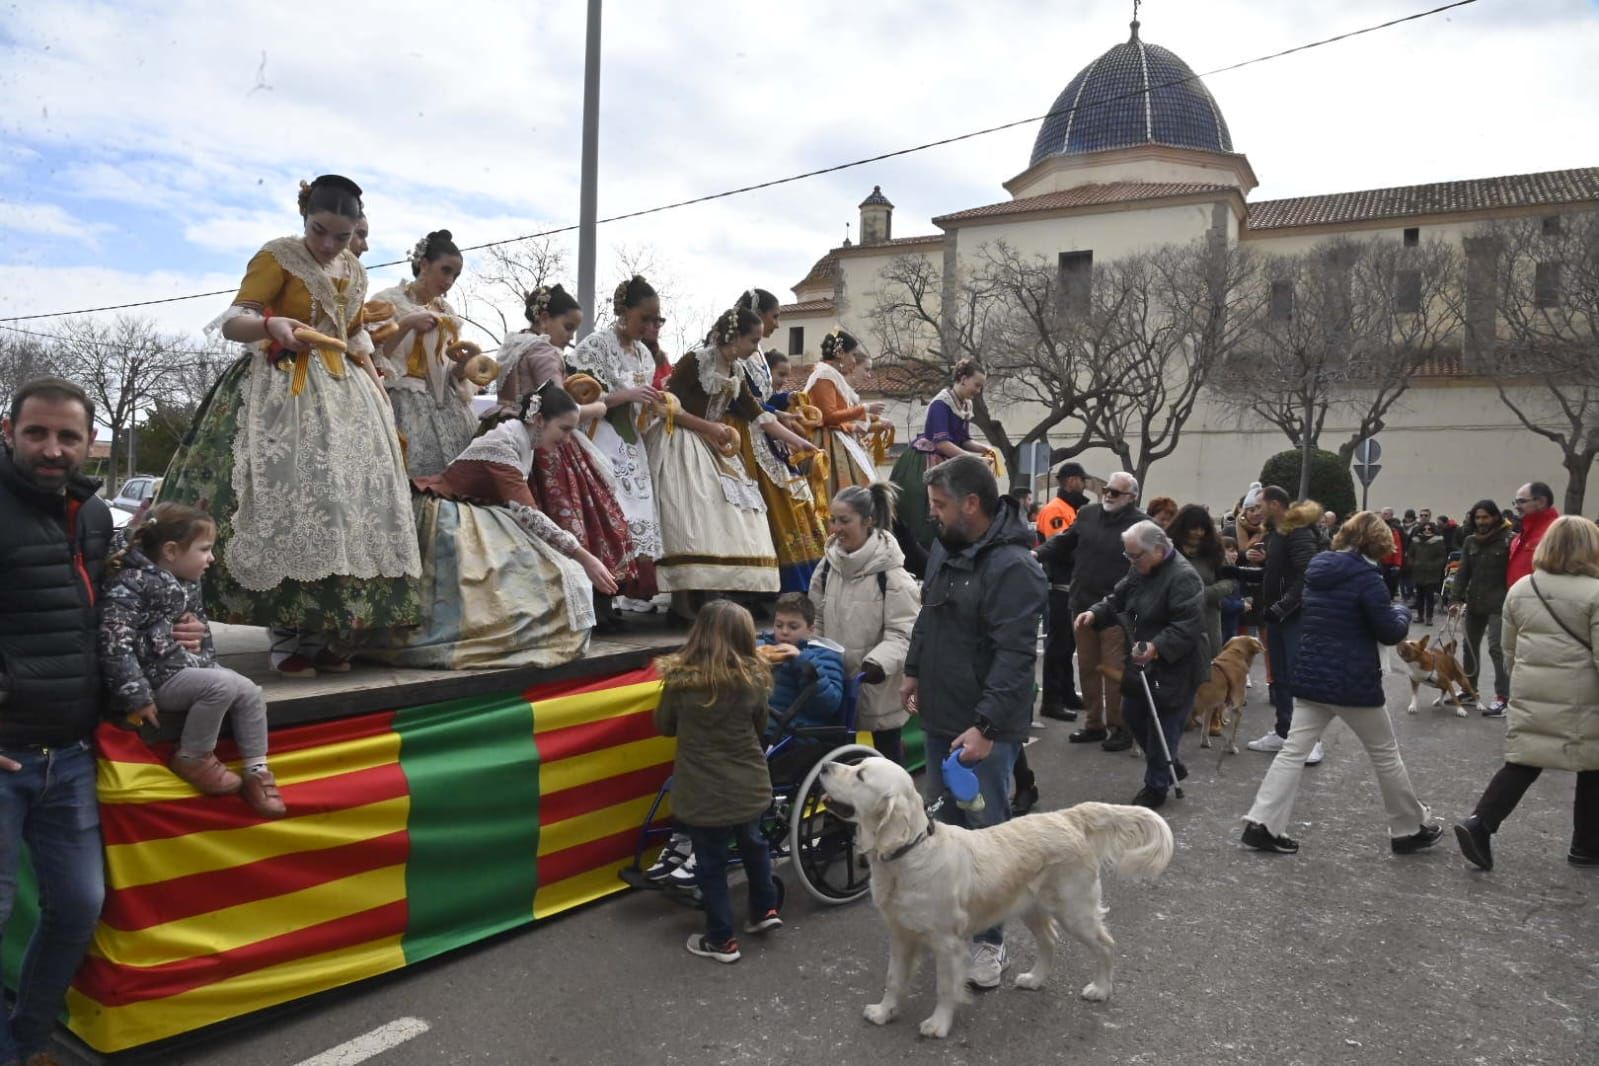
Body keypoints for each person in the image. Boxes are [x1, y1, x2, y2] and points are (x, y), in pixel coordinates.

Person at [160, 175, 421, 679]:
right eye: (320, 231)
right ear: (305, 217)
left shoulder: (354, 270)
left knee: (345, 508)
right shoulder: (277, 256)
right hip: (282, 389)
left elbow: (355, 333)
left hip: (348, 396)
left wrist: (379, 390)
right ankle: (285, 633)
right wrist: (269, 326)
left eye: (341, 236)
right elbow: (236, 319)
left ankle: (323, 632)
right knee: (293, 497)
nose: (329, 244)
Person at [0, 377, 115, 1065]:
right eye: (37, 433)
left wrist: (177, 630)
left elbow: (99, 617)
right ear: (8, 431)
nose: (52, 448)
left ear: (87, 443)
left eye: (67, 436)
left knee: (76, 909)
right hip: (5, 757)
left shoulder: (94, 515)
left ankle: (23, 1041)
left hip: (69, 757)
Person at [901, 456, 1046, 990]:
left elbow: (1014, 658)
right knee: (943, 832)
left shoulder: (1014, 567)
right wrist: (913, 670)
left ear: (972, 504)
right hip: (940, 716)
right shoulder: (947, 545)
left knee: (986, 840)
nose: (933, 517)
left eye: (940, 506)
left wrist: (985, 727)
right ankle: (953, 927)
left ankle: (990, 945)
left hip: (984, 730)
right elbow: (927, 614)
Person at [358, 382, 618, 669]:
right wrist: (583, 556)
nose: (568, 439)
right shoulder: (503, 443)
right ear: (540, 420)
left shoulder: (525, 440)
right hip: (448, 515)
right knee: (526, 571)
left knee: (541, 568)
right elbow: (528, 514)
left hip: (479, 512)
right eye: (565, 429)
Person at [1241, 512, 1442, 855]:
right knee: (1385, 754)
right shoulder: (1369, 580)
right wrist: (1401, 612)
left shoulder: (1319, 570)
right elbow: (1391, 632)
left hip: (1312, 676)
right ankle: (1408, 828)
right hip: (1352, 681)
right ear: (1378, 542)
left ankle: (1262, 823)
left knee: (1293, 751)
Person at [99, 504, 285, 818]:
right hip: (153, 680)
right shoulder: (130, 583)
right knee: (220, 686)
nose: (211, 558)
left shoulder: (188, 580)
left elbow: (200, 632)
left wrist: (202, 653)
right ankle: (193, 755)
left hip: (181, 667)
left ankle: (257, 771)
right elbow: (114, 641)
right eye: (205, 549)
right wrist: (135, 694)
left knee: (250, 691)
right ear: (171, 551)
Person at [647, 308, 817, 611]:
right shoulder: (695, 361)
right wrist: (709, 427)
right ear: (734, 337)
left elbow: (759, 416)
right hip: (681, 439)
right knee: (690, 518)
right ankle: (682, 603)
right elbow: (667, 406)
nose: (756, 346)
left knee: (730, 515)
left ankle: (710, 597)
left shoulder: (737, 371)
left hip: (716, 445)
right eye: (752, 340)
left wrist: (800, 441)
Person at [1455, 516, 1599, 872]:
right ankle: (1586, 844)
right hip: (1585, 696)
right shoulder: (1595, 592)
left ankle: (1481, 823)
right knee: (1594, 765)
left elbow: (1509, 651)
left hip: (1533, 691)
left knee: (1523, 762)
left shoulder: (1522, 588)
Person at [489, 285, 635, 628]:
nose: (570, 338)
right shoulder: (543, 352)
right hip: (545, 440)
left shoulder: (511, 348)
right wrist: (599, 406)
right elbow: (557, 406)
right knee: (579, 515)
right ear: (544, 318)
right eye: (567, 327)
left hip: (510, 431)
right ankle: (590, 602)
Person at [653, 601, 783, 964]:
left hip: (703, 790)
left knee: (710, 863)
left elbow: (664, 726)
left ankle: (721, 939)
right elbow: (760, 728)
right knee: (755, 846)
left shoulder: (679, 682)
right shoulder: (755, 679)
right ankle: (764, 909)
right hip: (750, 784)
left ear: (698, 633)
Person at [1076, 520, 1206, 808]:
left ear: (1158, 550)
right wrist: (1095, 614)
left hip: (1176, 665)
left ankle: (1156, 787)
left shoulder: (1184, 577)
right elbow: (1117, 598)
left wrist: (1157, 646)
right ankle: (1169, 765)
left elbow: (1188, 625)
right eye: (1129, 556)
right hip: (1141, 658)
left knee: (1165, 723)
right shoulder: (1140, 568)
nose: (1131, 562)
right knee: (1132, 714)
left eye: (1135, 556)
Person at [1036, 471, 1148, 751]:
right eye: (1107, 490)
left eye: (1116, 492)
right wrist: (1038, 553)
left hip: (1116, 610)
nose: (1108, 495)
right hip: (1082, 603)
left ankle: (1119, 726)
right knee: (1087, 667)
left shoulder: (1142, 525)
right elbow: (1064, 540)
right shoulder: (1086, 514)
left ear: (1132, 497)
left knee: (1113, 669)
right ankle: (1094, 724)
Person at [810, 483, 920, 764]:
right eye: (832, 520)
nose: (835, 528)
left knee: (888, 765)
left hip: (878, 688)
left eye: (844, 520)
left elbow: (905, 633)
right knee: (841, 765)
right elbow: (816, 618)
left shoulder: (892, 577)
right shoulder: (826, 568)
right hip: (837, 687)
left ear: (868, 521)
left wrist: (877, 664)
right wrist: (817, 655)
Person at [731, 289, 828, 594]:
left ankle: (805, 581)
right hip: (749, 438)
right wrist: (779, 416)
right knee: (775, 508)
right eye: (775, 317)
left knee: (795, 504)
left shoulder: (757, 355)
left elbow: (760, 399)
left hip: (768, 435)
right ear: (758, 315)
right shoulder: (740, 356)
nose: (777, 325)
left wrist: (785, 401)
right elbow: (743, 403)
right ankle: (774, 585)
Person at [567, 275, 666, 563]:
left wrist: (654, 404)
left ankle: (630, 583)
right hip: (598, 439)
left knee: (637, 509)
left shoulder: (645, 355)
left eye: (656, 320)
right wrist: (626, 395)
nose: (650, 327)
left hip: (632, 445)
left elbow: (639, 405)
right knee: (608, 508)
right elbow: (577, 398)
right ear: (623, 312)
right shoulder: (594, 347)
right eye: (644, 319)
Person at [372, 230, 479, 477]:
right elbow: (373, 355)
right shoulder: (388, 301)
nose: (450, 280)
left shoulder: (447, 311)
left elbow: (449, 368)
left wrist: (463, 365)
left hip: (446, 404)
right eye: (445, 270)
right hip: (401, 401)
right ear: (424, 264)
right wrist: (407, 323)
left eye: (456, 275)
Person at [1241, 486, 1327, 764]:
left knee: (1298, 676)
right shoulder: (1277, 532)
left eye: (1259, 506)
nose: (1255, 511)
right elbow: (1279, 573)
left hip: (1294, 617)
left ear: (1276, 504)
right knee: (1279, 676)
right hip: (1278, 616)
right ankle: (1283, 731)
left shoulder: (1298, 531)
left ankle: (1310, 740)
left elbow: (1308, 574)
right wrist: (1251, 568)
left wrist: (1284, 606)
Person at [889, 359, 993, 549]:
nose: (978, 390)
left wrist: (985, 449)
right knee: (925, 504)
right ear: (963, 379)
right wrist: (974, 460)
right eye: (977, 385)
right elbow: (942, 443)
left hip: (949, 459)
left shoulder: (965, 405)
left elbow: (962, 440)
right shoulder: (941, 403)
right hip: (925, 460)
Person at [1037, 462, 1091, 721]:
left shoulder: (1075, 509)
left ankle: (1067, 693)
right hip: (1058, 586)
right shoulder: (1055, 510)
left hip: (1073, 586)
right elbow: (1058, 546)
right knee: (1057, 646)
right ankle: (1051, 700)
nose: (1084, 484)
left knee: (1068, 645)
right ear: (1071, 481)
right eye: (1082, 479)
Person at [1449, 499, 1513, 717]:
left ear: (1495, 517)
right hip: (1474, 601)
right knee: (1469, 646)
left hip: (1499, 602)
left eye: (1485, 517)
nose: (1481, 521)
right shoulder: (1470, 541)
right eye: (1477, 517)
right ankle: (1469, 690)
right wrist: (1454, 599)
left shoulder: (1508, 540)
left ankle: (1503, 697)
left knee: (1497, 649)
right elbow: (1463, 572)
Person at [803, 328, 882, 497]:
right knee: (836, 491)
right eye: (852, 355)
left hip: (836, 438)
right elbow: (828, 416)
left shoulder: (831, 375)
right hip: (827, 441)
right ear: (841, 354)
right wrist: (865, 409)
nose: (854, 361)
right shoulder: (824, 375)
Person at [761, 593, 847, 736]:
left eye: (793, 627)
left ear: (810, 630)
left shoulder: (825, 655)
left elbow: (827, 706)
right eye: (779, 625)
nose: (784, 632)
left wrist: (802, 661)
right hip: (757, 729)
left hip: (796, 735)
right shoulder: (762, 648)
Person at [1171, 504, 1235, 662]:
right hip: (1174, 619)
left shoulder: (1215, 551)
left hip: (1207, 619)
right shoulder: (1168, 549)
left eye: (1202, 529)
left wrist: (1206, 594)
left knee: (1207, 671)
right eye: (1194, 528)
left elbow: (1230, 581)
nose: (1198, 533)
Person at [1508, 481, 1560, 588]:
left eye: (1521, 501)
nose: (1516, 507)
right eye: (1515, 502)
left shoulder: (1557, 532)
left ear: (1542, 502)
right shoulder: (1521, 536)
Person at [1408, 521, 1448, 625]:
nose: (1427, 531)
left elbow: (1442, 557)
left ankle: (1429, 617)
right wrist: (1413, 564)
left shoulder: (1437, 542)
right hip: (1418, 572)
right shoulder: (1415, 541)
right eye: (1424, 529)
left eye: (1429, 529)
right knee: (1419, 596)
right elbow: (1410, 555)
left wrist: (1433, 566)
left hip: (1431, 574)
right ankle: (1420, 615)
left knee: (1429, 596)